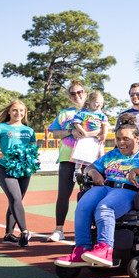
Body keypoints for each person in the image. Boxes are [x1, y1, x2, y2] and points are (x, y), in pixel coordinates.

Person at [54, 118, 139, 268]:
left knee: (104, 208)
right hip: (107, 187)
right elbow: (89, 167)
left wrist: (137, 170)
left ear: (137, 138)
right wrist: (94, 172)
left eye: (126, 139)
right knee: (83, 206)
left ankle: (105, 250)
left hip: (130, 190)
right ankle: (81, 249)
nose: (121, 143)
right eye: (118, 139)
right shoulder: (113, 154)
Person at [0, 100, 36, 246]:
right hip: (5, 167)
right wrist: (5, 157)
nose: (18, 113)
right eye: (14, 110)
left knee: (16, 200)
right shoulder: (0, 127)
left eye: (21, 110)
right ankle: (25, 232)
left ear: (25, 113)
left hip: (24, 169)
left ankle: (8, 235)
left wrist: (30, 159)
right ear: (9, 111)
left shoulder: (29, 130)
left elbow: (32, 149)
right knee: (15, 198)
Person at [47, 80, 88, 242]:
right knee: (63, 195)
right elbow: (54, 133)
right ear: (70, 96)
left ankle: (86, 231)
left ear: (85, 93)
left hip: (88, 160)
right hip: (67, 158)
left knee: (88, 195)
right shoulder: (64, 114)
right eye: (73, 93)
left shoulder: (94, 112)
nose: (77, 95)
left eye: (79, 92)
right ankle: (59, 229)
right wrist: (71, 131)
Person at [71, 91, 109, 162]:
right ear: (89, 101)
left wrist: (104, 135)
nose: (99, 104)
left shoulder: (101, 115)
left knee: (100, 154)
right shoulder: (83, 113)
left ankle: (100, 166)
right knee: (80, 155)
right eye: (97, 102)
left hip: (97, 138)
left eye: (101, 103)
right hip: (84, 137)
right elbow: (76, 123)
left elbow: (105, 125)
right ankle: (78, 167)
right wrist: (83, 132)